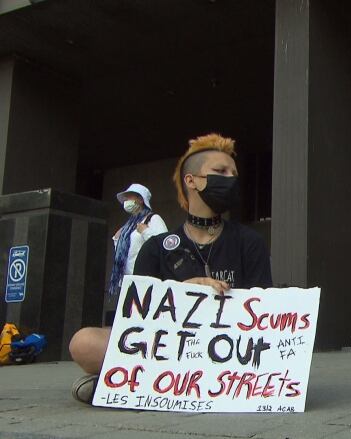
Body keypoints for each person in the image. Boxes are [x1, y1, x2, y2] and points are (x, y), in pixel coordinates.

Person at [69, 133, 273, 404]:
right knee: (84, 341)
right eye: (220, 171)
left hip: (229, 349)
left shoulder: (250, 242)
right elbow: (135, 321)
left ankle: (125, 382)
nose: (230, 179)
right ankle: (157, 381)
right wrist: (181, 293)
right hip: (168, 349)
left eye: (233, 174)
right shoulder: (156, 247)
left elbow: (266, 316)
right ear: (191, 181)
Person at [108, 183, 168, 296]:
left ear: (140, 199)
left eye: (129, 196)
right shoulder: (128, 226)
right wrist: (117, 239)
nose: (126, 200)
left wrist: (145, 231)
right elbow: (126, 253)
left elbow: (164, 246)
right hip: (127, 282)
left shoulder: (153, 219)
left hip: (145, 282)